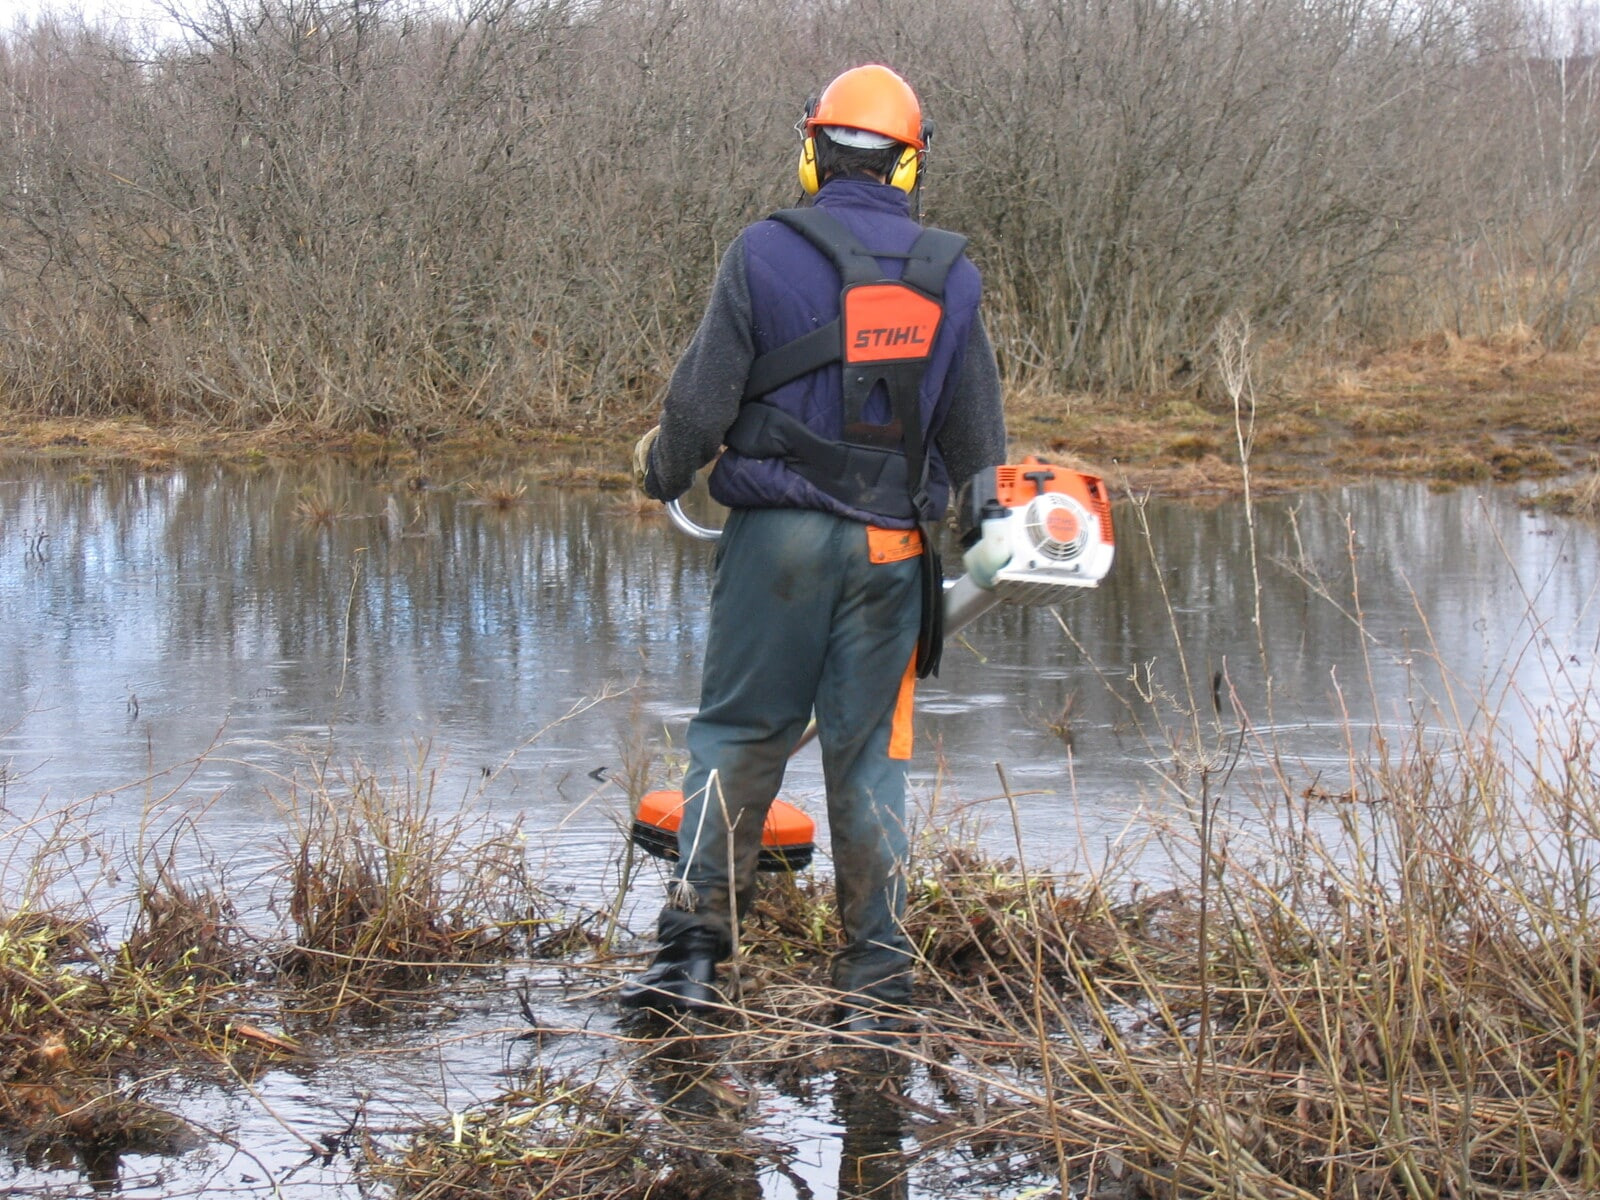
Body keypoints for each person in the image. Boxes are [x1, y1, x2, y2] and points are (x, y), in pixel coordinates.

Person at [623, 64, 1007, 1035]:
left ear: (810, 152)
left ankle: (693, 960)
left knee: (738, 738)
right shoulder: (949, 274)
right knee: (870, 761)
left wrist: (663, 470)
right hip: (890, 553)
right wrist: (982, 521)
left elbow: (701, 404)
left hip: (775, 545)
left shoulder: (762, 253)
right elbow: (973, 437)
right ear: (910, 167)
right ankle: (877, 986)